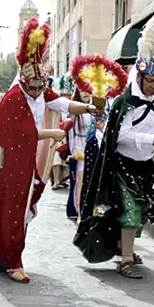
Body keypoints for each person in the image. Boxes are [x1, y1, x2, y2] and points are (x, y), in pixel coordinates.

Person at [0, 17, 97, 283]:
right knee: (13, 210)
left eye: (40, 87)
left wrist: (89, 107)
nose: (36, 91)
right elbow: (21, 136)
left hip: (26, 161)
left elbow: (63, 104)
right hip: (11, 164)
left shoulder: (41, 92)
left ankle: (4, 255)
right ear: (23, 81)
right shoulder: (13, 99)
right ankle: (13, 262)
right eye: (32, 87)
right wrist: (52, 133)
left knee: (20, 211)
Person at [74, 13, 154, 279]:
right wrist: (153, 140)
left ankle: (123, 247)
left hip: (143, 167)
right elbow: (122, 135)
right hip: (122, 166)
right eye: (150, 81)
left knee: (138, 212)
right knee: (129, 211)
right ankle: (126, 259)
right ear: (139, 78)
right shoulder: (125, 103)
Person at [66, 89, 93, 220]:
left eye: (89, 91)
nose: (86, 94)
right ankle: (79, 211)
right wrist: (72, 150)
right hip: (79, 146)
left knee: (91, 180)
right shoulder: (75, 109)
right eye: (83, 91)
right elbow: (70, 130)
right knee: (80, 180)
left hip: (93, 145)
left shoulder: (96, 108)